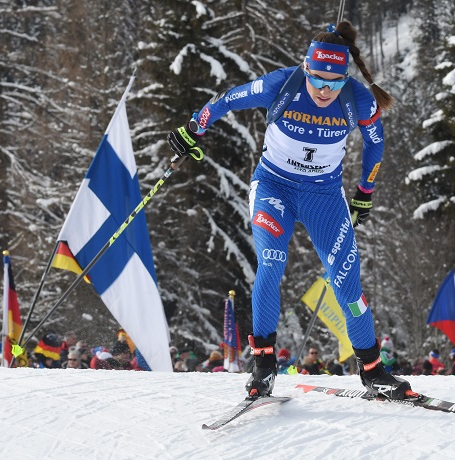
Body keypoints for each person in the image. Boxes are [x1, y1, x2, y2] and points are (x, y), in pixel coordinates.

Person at [167, 20, 413, 400]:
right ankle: (263, 365)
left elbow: (375, 145)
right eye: (318, 79)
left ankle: (373, 370)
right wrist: (193, 129)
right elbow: (226, 100)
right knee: (271, 261)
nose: (326, 90)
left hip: (324, 196)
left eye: (335, 82)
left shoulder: (358, 99)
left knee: (347, 282)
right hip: (273, 188)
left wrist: (364, 192)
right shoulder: (282, 85)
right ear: (305, 67)